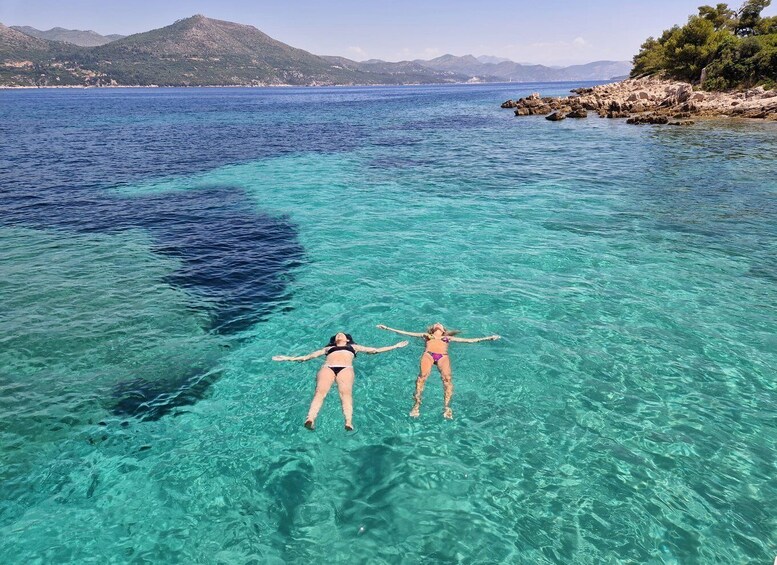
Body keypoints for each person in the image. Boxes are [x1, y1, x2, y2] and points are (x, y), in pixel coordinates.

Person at [273, 332, 408, 431]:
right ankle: (310, 418)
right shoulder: (327, 349)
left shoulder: (354, 347)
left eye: (341, 334)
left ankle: (348, 421)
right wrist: (287, 358)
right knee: (319, 393)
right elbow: (306, 357)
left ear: (347, 338)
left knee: (345, 395)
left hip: (346, 368)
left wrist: (395, 346)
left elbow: (375, 350)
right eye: (337, 335)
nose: (339, 335)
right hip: (327, 367)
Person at [376, 322, 500, 419]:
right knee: (422, 377)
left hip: (443, 357)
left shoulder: (447, 338)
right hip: (429, 355)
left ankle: (447, 408)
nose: (438, 323)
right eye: (436, 324)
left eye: (440, 324)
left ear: (444, 330)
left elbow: (470, 340)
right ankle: (416, 406)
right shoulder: (427, 336)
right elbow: (406, 333)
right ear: (433, 329)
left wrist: (489, 338)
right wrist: (387, 328)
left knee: (447, 379)